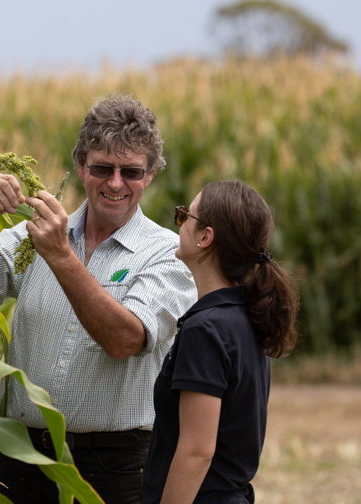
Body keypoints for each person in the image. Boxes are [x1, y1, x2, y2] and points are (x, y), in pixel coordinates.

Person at [0, 92, 197, 503]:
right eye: (102, 168)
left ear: (149, 176)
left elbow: (126, 339)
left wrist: (60, 256)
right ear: (80, 166)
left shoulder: (168, 253)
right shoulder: (31, 237)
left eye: (131, 171)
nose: (115, 183)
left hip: (114, 470)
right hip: (20, 459)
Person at [142, 180, 299, 504]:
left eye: (186, 215)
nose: (180, 222)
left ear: (205, 237)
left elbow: (197, 452)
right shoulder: (243, 317)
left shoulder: (206, 329)